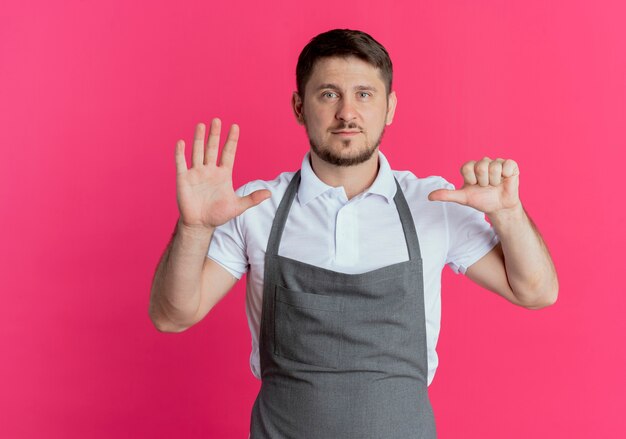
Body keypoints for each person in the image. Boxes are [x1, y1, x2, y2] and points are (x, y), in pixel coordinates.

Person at [149, 29, 558, 439]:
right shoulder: (255, 207)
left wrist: (509, 214)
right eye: (329, 94)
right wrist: (195, 228)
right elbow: (172, 316)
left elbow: (536, 292)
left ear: (390, 106)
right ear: (298, 106)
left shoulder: (433, 202)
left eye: (364, 94)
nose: (347, 113)